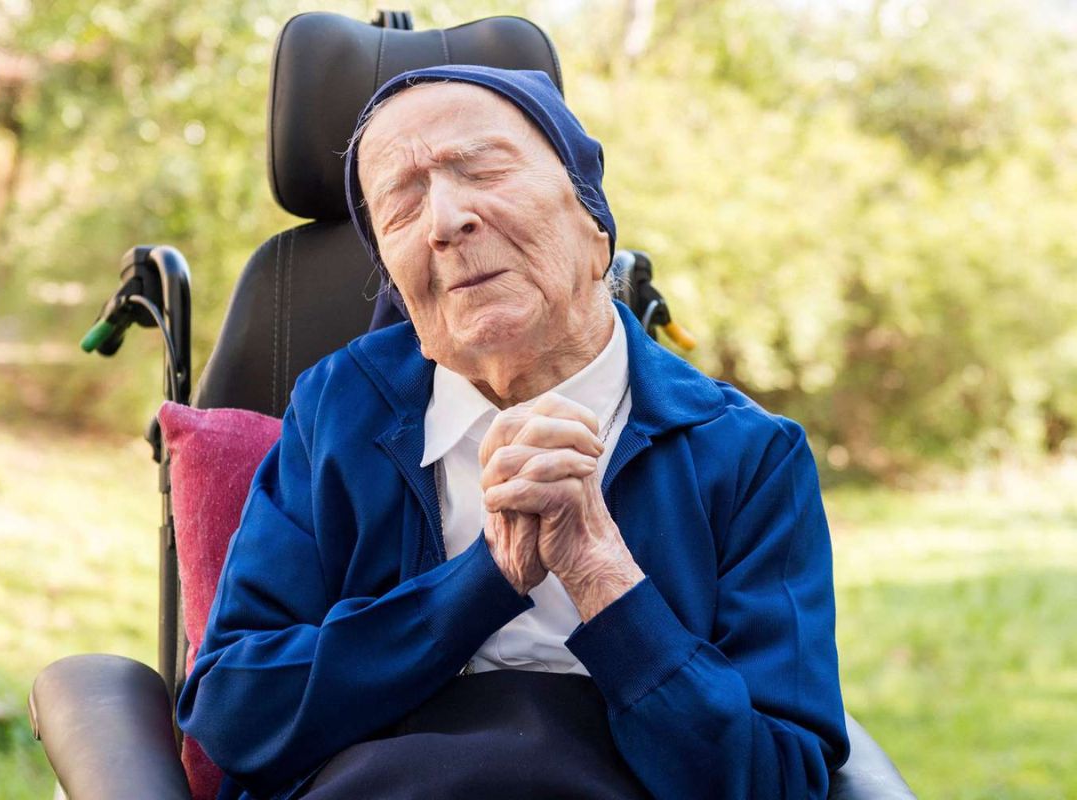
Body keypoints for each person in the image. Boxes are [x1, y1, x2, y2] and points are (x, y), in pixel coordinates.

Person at [177, 65, 849, 800]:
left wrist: (601, 573)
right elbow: (237, 713)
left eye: (483, 169)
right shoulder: (337, 410)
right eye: (401, 208)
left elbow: (777, 779)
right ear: (398, 283)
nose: (444, 221)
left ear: (593, 223)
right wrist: (482, 581)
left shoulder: (748, 455)